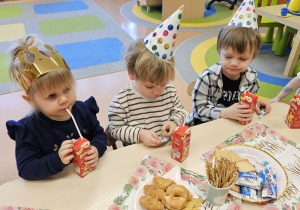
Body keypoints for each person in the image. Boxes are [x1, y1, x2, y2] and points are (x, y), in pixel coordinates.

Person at [6, 35, 107, 180]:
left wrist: (97, 148)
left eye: (67, 89)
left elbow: (99, 134)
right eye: (52, 96)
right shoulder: (28, 131)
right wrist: (56, 159)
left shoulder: (83, 110)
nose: (64, 99)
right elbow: (26, 169)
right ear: (31, 100)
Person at [108, 6, 187, 147]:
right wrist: (139, 134)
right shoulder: (122, 101)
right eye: (150, 86)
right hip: (136, 155)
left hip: (165, 151)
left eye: (163, 83)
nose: (158, 91)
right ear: (132, 74)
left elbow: (180, 111)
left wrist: (174, 122)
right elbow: (114, 130)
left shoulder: (169, 91)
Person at [186, 26, 271, 126]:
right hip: (205, 124)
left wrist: (255, 104)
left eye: (243, 59)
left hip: (232, 124)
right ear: (219, 53)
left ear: (252, 58)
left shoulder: (252, 77)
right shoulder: (207, 77)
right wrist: (225, 112)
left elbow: (245, 104)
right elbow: (199, 110)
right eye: (228, 56)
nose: (234, 63)